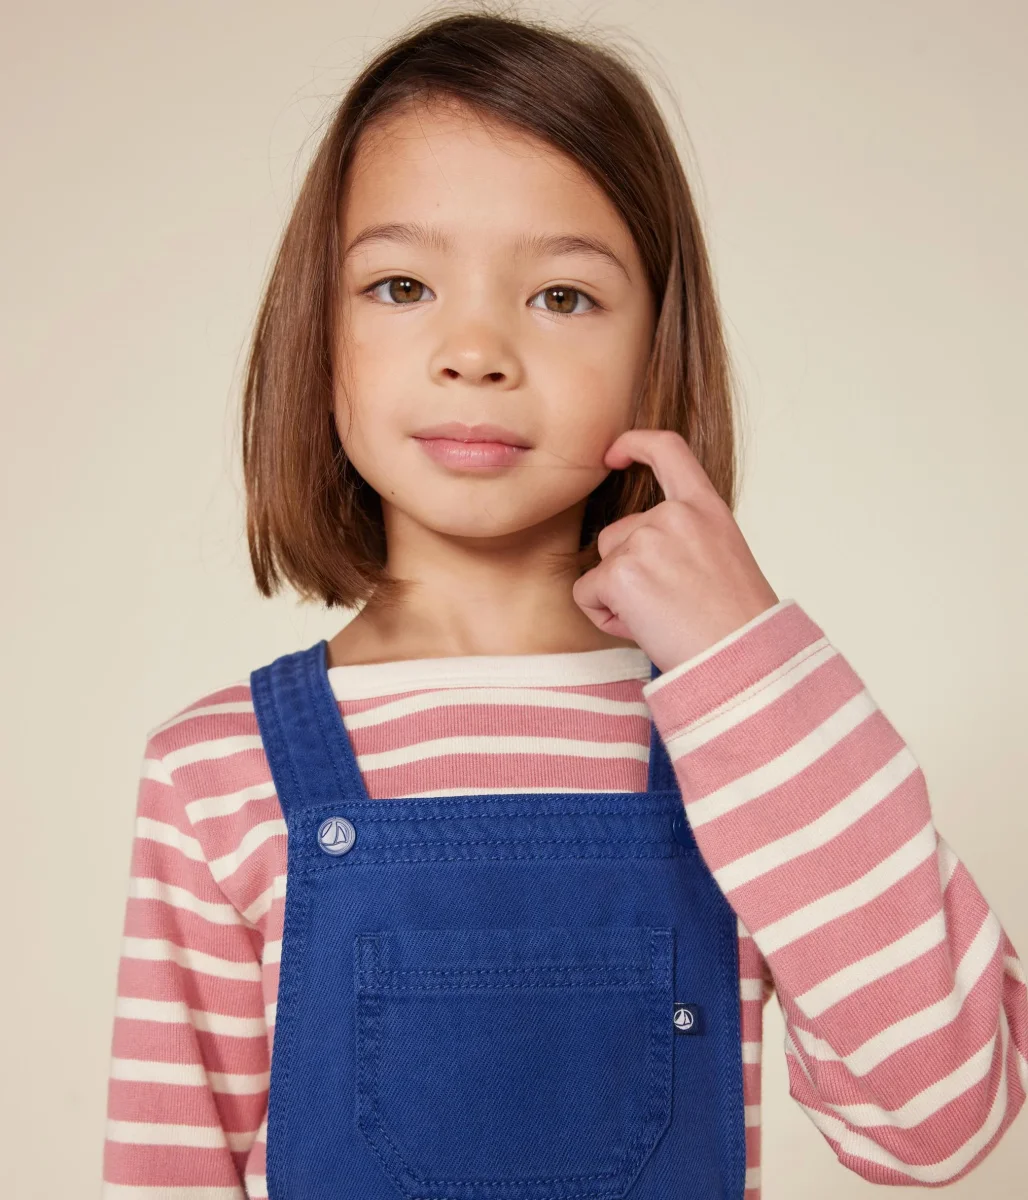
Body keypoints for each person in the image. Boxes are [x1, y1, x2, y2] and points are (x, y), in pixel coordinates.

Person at [100, 9, 1027, 1199]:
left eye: (561, 297)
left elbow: (941, 1122)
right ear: (315, 338)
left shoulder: (747, 744)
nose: (475, 348)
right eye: (399, 284)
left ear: (656, 353)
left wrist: (745, 658)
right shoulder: (214, 775)